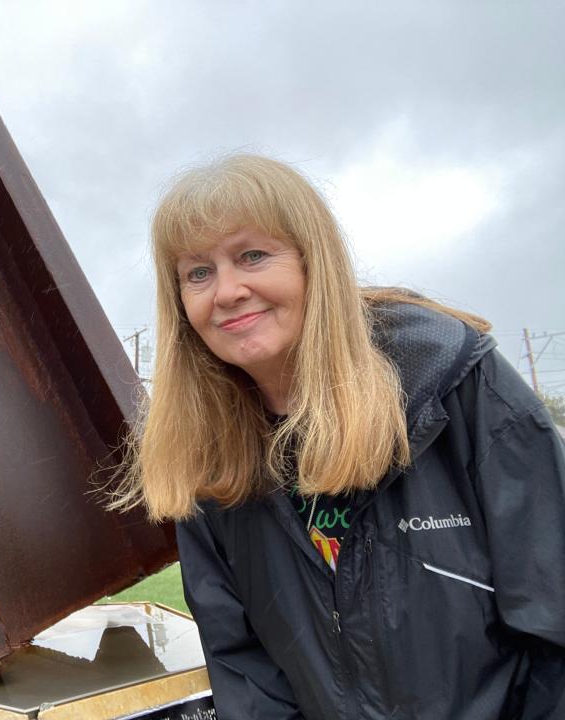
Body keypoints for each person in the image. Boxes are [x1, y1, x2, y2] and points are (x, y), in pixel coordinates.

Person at [113, 154, 565, 719]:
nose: (227, 291)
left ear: (313, 262)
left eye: (252, 255)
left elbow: (553, 618)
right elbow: (245, 670)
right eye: (198, 273)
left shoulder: (456, 385)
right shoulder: (203, 452)